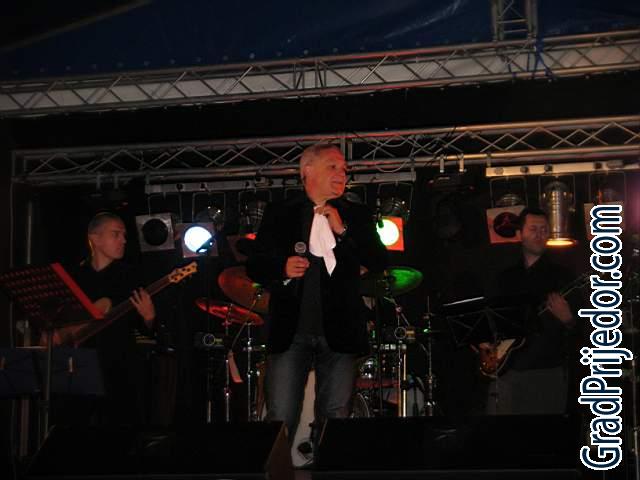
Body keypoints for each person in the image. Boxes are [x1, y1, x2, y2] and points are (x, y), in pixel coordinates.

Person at [247, 143, 388, 446]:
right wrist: (281, 267)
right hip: (291, 330)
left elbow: (379, 260)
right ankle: (277, 468)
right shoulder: (281, 213)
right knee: (281, 415)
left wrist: (343, 230)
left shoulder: (356, 214)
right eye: (333, 166)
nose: (342, 174)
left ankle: (329, 467)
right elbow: (254, 265)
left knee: (336, 417)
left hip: (340, 331)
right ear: (307, 170)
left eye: (345, 169)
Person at [56, 212, 156, 426]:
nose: (124, 240)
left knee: (120, 431)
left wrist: (149, 317)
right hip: (78, 368)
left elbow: (145, 329)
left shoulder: (131, 276)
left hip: (119, 369)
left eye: (124, 235)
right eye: (116, 234)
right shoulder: (74, 277)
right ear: (95, 238)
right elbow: (61, 325)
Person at [484, 207, 579, 415]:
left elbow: (582, 332)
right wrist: (487, 344)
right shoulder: (504, 278)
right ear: (520, 234)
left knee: (543, 433)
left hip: (547, 372)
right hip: (507, 370)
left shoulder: (563, 277)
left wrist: (568, 319)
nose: (539, 235)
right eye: (533, 229)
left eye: (544, 230)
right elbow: (488, 320)